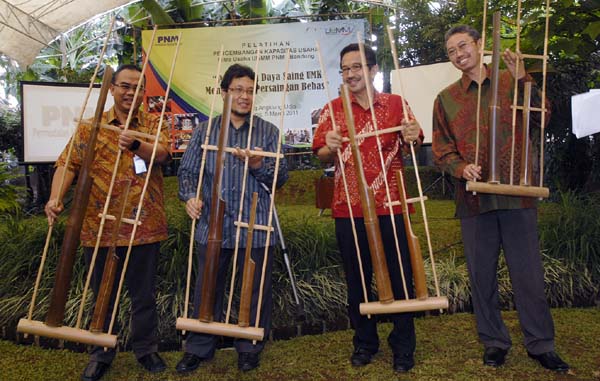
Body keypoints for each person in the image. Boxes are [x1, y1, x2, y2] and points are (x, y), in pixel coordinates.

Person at [432, 25, 569, 372]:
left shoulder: (512, 81)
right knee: (482, 277)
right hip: (474, 202)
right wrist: (461, 168)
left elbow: (544, 117)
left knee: (529, 276)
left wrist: (524, 78)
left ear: (479, 45)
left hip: (517, 197)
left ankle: (541, 344)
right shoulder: (446, 98)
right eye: (451, 51)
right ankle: (494, 342)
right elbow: (442, 148)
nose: (458, 53)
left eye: (463, 45)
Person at [45, 64, 171, 381]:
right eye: (125, 86)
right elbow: (67, 165)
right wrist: (55, 198)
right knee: (103, 292)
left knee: (143, 294)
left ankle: (146, 350)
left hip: (144, 226)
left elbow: (163, 153)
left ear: (144, 94)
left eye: (138, 88)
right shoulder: (91, 128)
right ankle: (101, 352)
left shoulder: (153, 123)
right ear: (113, 88)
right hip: (97, 227)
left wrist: (135, 144)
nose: (131, 92)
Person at [312, 43, 424, 373]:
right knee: (357, 279)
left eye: (357, 67)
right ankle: (365, 342)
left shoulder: (395, 105)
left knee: (400, 276)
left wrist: (413, 134)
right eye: (345, 69)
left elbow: (413, 140)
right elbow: (318, 150)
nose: (351, 74)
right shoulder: (332, 109)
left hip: (390, 204)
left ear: (373, 70)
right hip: (349, 208)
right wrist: (328, 146)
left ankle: (403, 345)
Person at [176, 63, 288, 373]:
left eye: (250, 91)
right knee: (207, 287)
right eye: (238, 89)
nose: (244, 96)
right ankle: (199, 347)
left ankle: (249, 345)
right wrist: (191, 197)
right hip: (213, 224)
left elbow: (280, 179)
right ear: (224, 92)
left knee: (254, 289)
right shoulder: (205, 131)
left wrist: (257, 165)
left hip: (257, 225)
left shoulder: (268, 132)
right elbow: (187, 172)